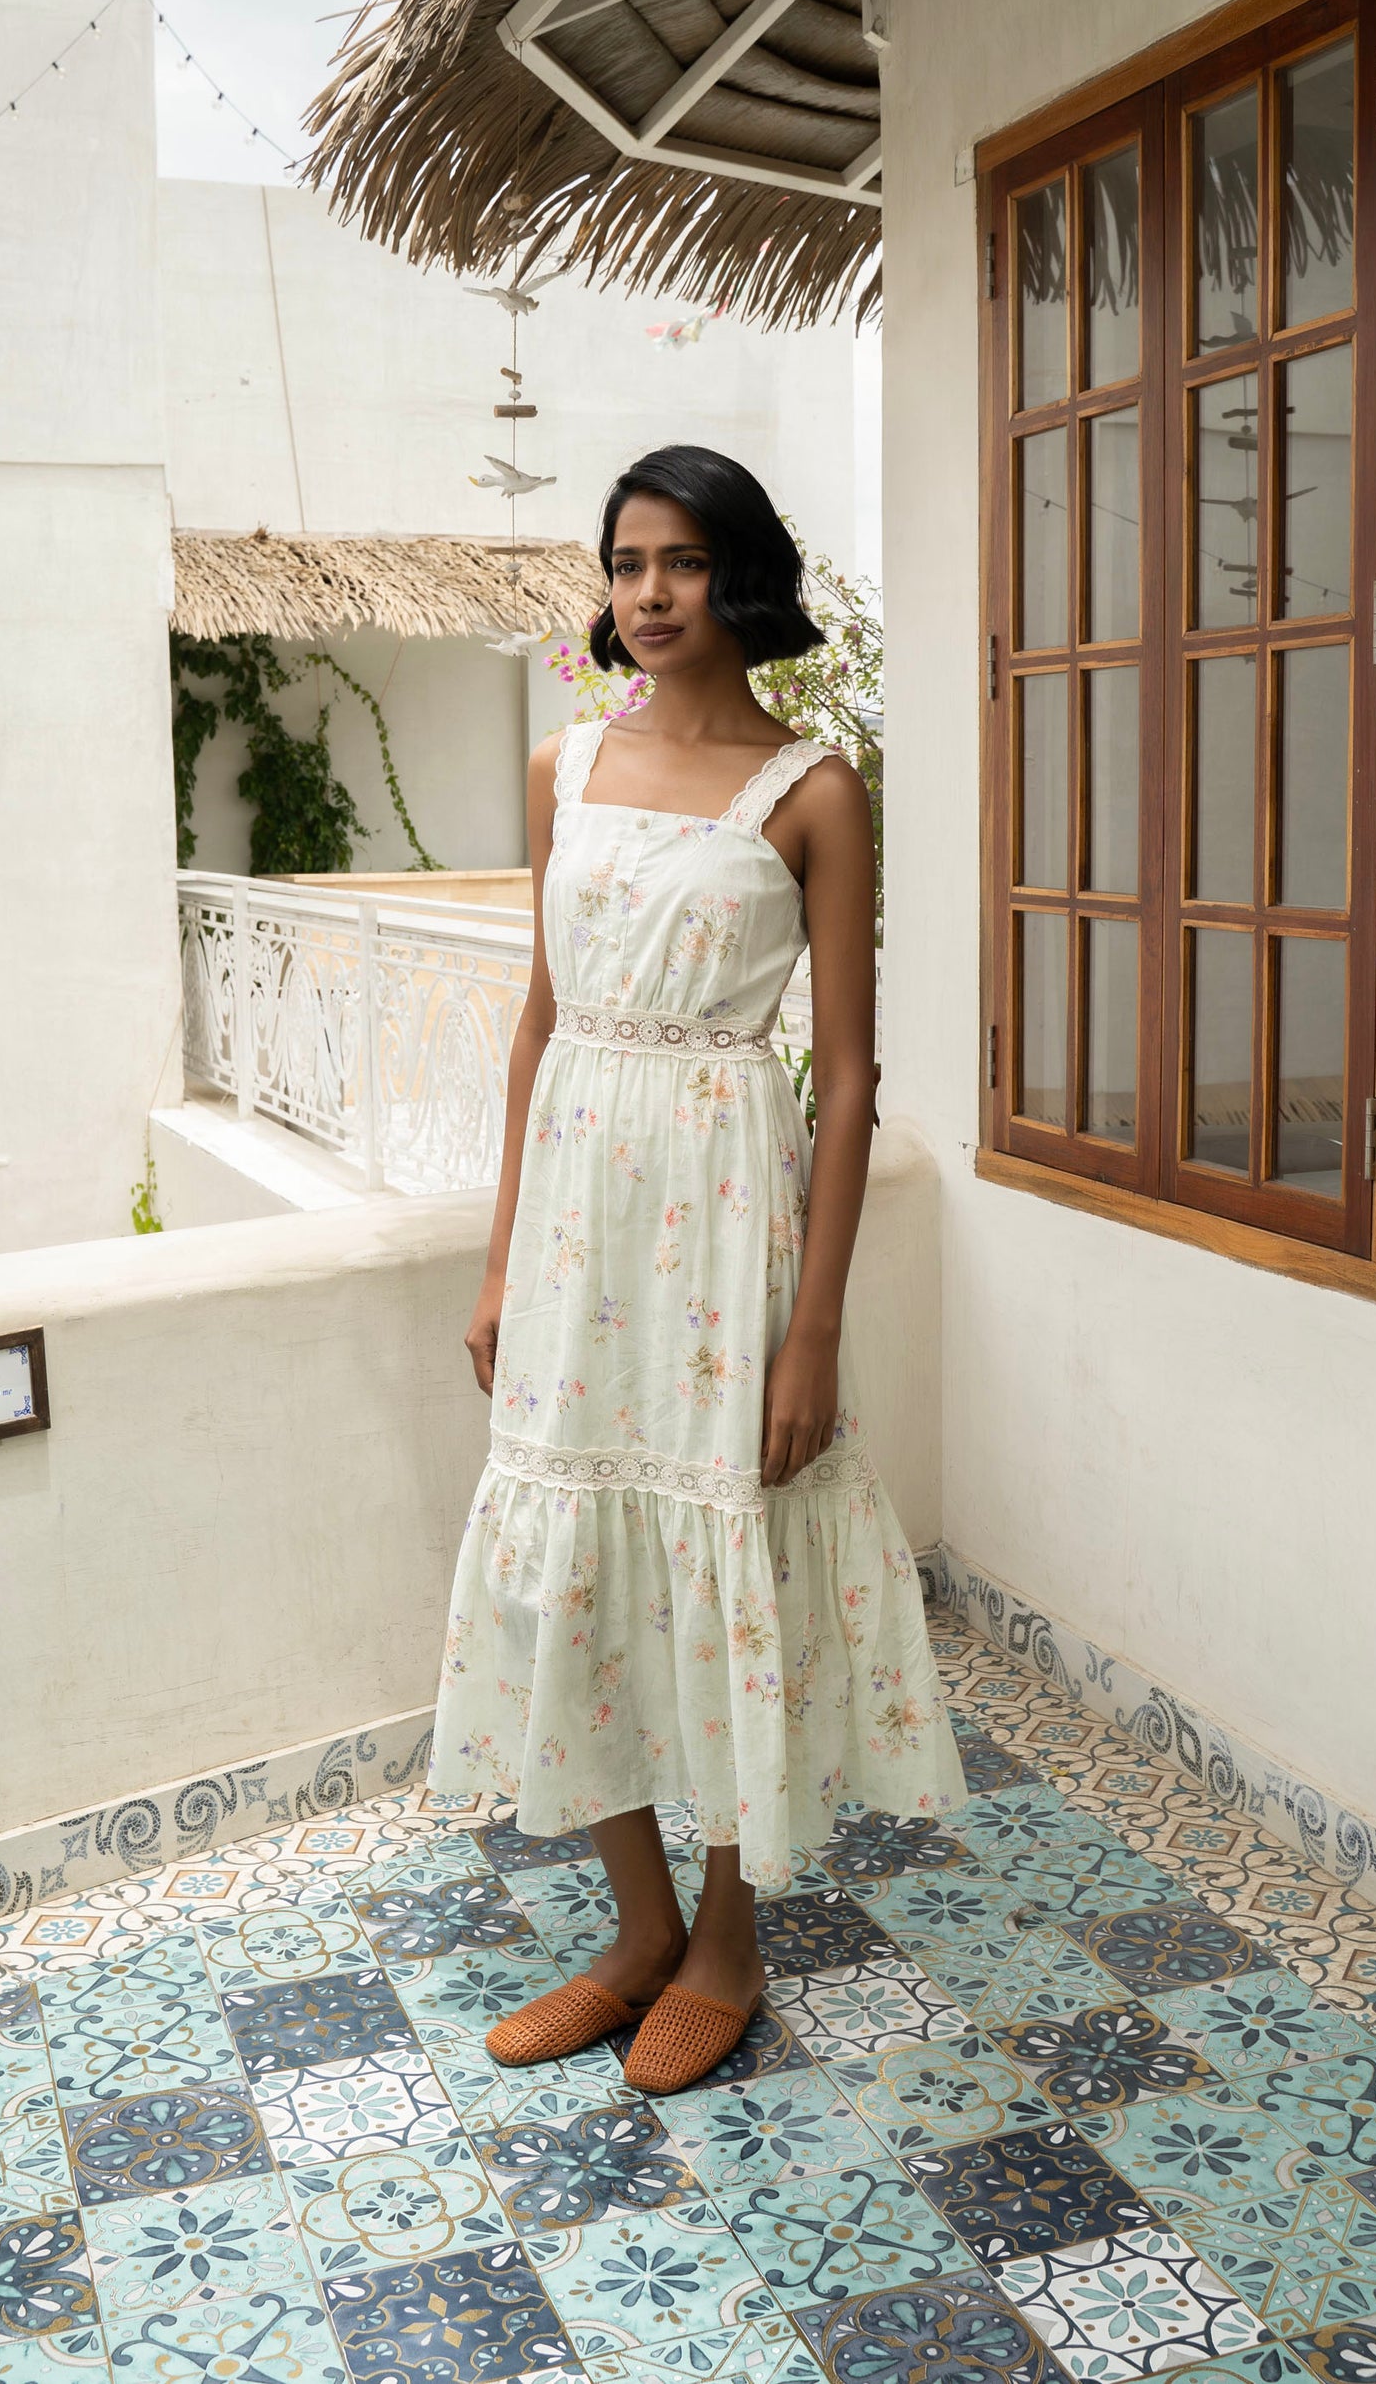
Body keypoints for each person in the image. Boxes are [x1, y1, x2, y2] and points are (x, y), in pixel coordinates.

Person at [428, 443, 962, 2098]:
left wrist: (816, 1334)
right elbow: (539, 1020)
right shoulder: (561, 765)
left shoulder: (813, 791)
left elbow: (849, 1079)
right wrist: (501, 1260)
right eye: (625, 563)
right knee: (568, 1561)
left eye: (678, 561)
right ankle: (637, 1928)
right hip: (576, 1227)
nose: (647, 594)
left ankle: (728, 1938)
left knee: (736, 1554)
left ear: (739, 577)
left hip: (729, 1228)